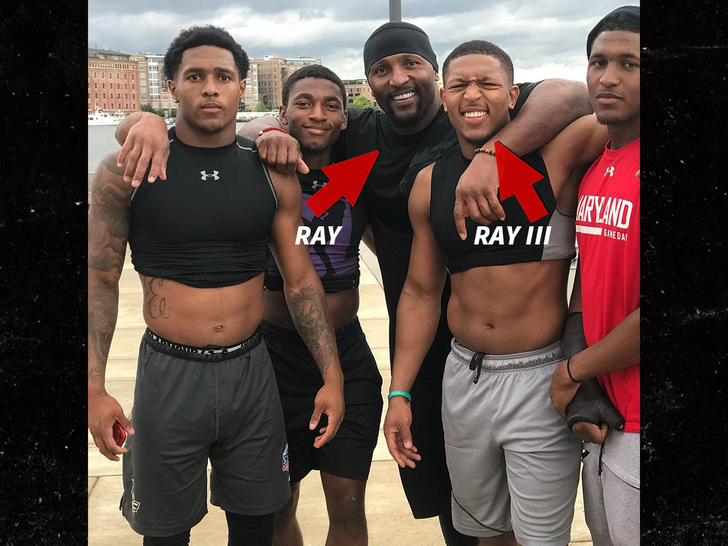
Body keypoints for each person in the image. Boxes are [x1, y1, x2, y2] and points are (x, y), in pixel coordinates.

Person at [115, 21, 593, 545]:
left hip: (418, 347)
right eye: (382, 69)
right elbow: (230, 130)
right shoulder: (294, 160)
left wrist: (493, 156)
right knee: (275, 506)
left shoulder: (461, 129)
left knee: (391, 497)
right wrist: (151, 122)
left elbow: (576, 95)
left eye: (412, 63)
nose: (399, 78)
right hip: (286, 351)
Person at [87, 26, 344, 546]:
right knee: (164, 531)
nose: (210, 88)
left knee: (256, 523)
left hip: (251, 369)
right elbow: (99, 279)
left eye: (223, 77)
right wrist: (93, 388)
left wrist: (332, 375)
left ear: (241, 88)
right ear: (171, 86)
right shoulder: (125, 171)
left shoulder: (272, 172)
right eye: (195, 76)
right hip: (169, 373)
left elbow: (300, 282)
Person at [383, 39, 609, 545]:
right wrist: (399, 391)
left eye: (487, 83)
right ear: (443, 96)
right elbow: (420, 292)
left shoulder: (556, 154)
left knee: (540, 538)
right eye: (459, 85)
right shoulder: (429, 182)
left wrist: (495, 154)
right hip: (465, 375)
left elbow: (590, 97)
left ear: (513, 95)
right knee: (486, 533)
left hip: (539, 375)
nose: (472, 95)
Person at [261, 64, 383, 546]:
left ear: (344, 119)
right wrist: (263, 133)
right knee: (276, 507)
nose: (318, 114)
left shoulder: (361, 176)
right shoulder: (257, 170)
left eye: (331, 105)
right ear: (282, 112)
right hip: (273, 358)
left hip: (347, 353)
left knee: (348, 506)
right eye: (304, 103)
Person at [549, 7, 641, 546]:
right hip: (605, 413)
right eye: (598, 62)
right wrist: (584, 385)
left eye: (630, 64)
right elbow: (589, 279)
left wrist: (571, 371)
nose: (608, 77)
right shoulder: (599, 166)